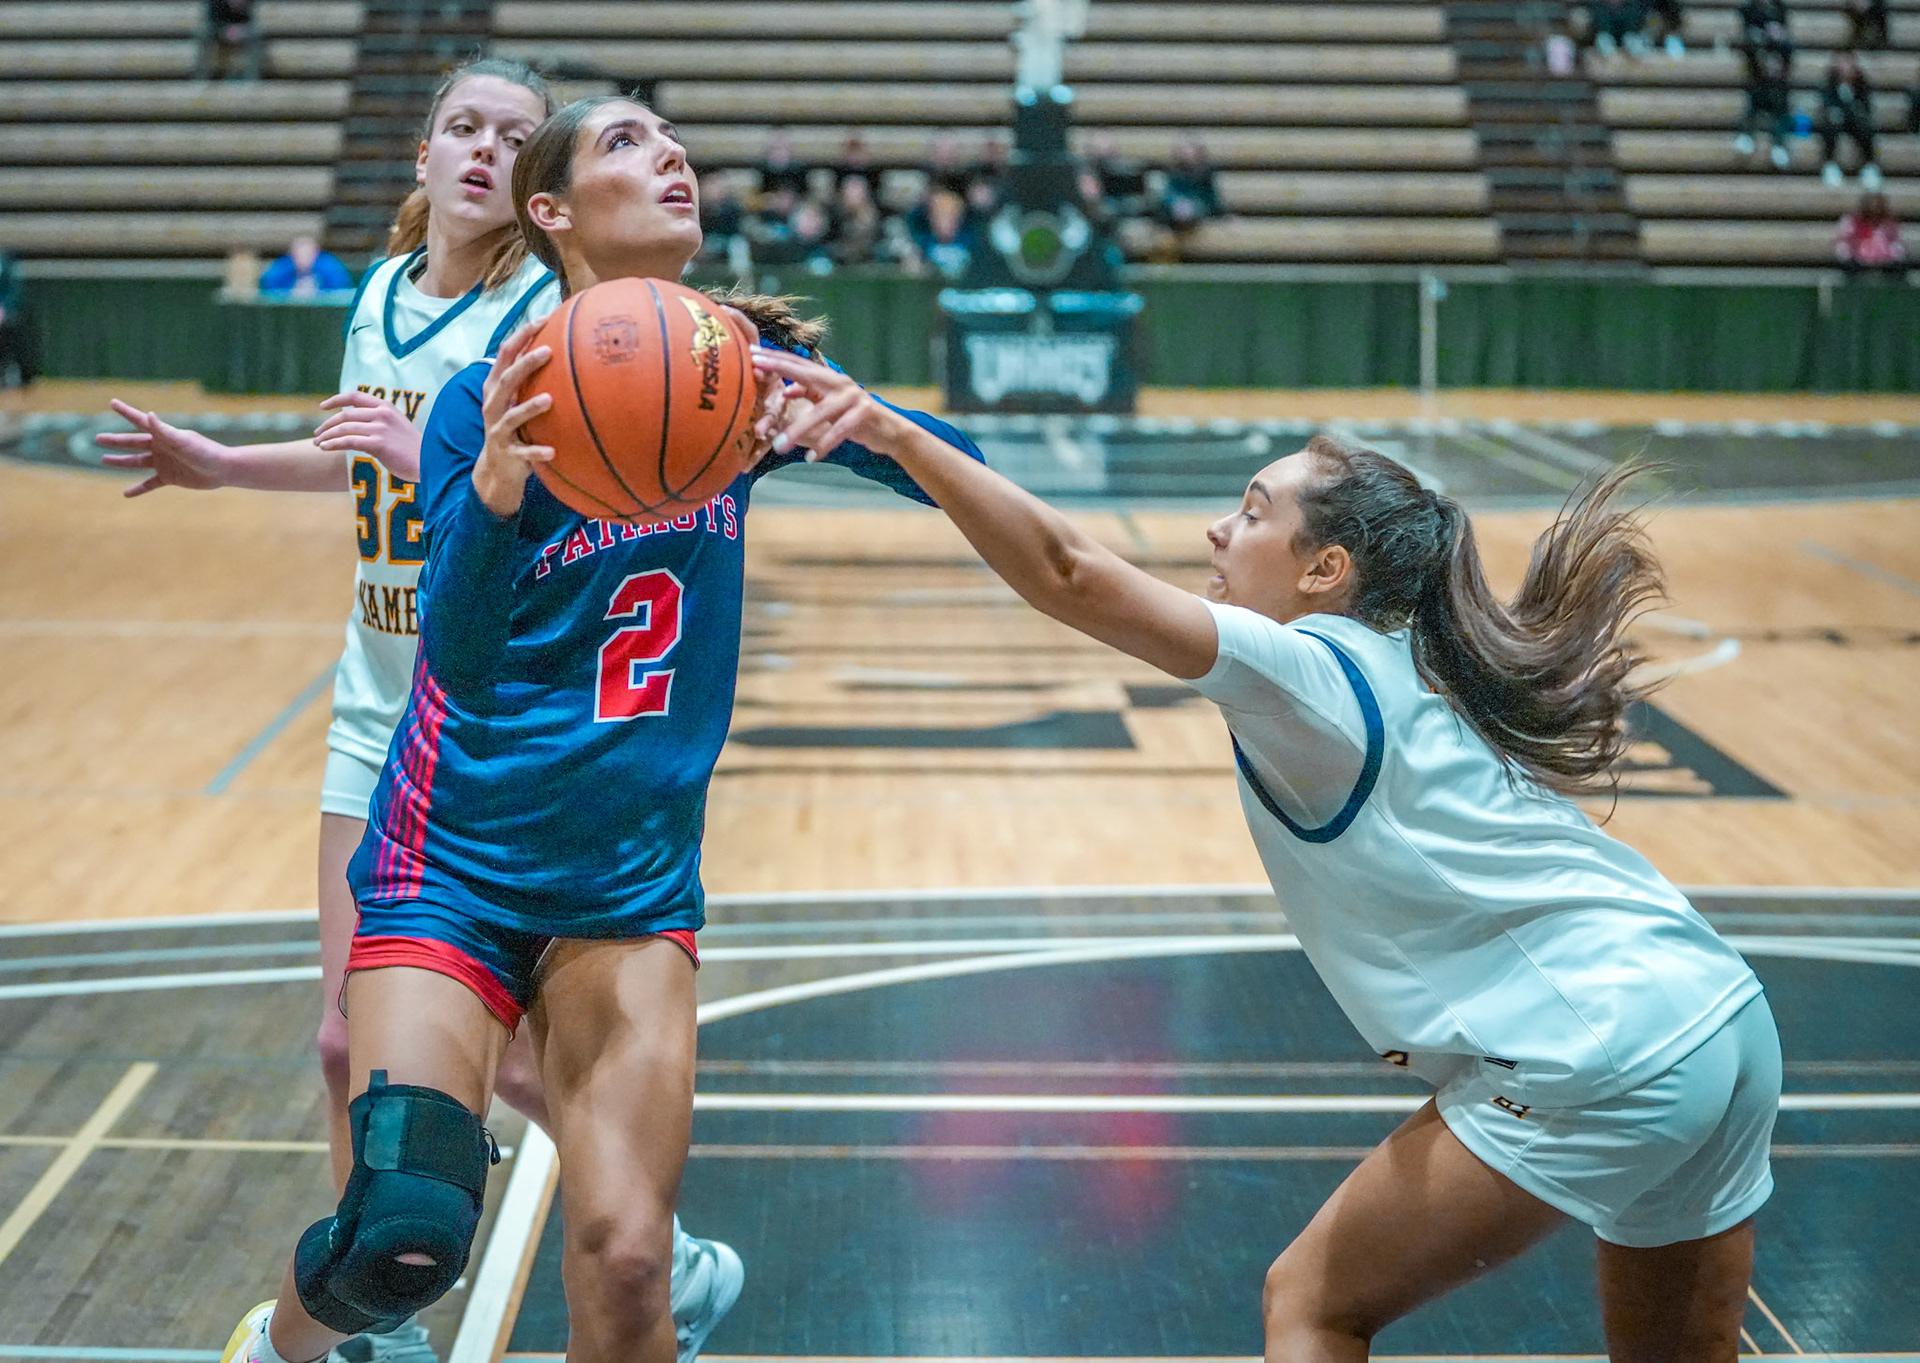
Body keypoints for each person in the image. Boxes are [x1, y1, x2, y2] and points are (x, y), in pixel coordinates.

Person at [751, 362, 1782, 1363]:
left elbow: (1070, 572)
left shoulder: (1309, 670)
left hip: (1603, 1046)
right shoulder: (1418, 670)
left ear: (1324, 571)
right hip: (1724, 1018)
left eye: (1251, 512)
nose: (1218, 528)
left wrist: (893, 432)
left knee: (1313, 1303)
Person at [215, 95, 986, 1363]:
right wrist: (496, 494)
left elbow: (957, 473)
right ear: (553, 211)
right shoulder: (490, 399)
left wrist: (875, 422)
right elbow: (455, 652)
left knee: (631, 1263)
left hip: (628, 883)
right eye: (627, 143)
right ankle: (283, 1342)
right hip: (452, 863)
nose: (671, 153)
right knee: (403, 1230)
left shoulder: (736, 378)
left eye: (672, 139)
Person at [97, 58, 740, 1363]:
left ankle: (636, 1244)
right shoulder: (384, 292)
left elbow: (493, 461)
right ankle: (377, 1301)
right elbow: (360, 453)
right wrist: (227, 465)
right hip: (373, 698)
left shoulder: (560, 318)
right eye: (463, 128)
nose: (485, 150)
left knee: (488, 1050)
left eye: (514, 135)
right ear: (423, 154)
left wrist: (446, 466)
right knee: (347, 1038)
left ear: (544, 186)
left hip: (482, 715)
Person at [1732, 21, 1794, 168]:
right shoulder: (1757, 56)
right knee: (1754, 106)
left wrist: (1780, 38)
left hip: (1777, 95)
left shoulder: (1784, 53)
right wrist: (1762, 37)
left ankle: (1779, 145)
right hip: (1760, 92)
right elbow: (1749, 54)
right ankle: (1746, 136)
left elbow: (1789, 53)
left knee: (1780, 114)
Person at [1819, 51, 1882, 188]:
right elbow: (1827, 106)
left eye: (1848, 63)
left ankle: (1869, 166)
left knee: (1865, 126)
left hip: (1854, 123)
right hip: (1837, 123)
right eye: (1841, 63)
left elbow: (1865, 108)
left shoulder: (1862, 84)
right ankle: (1830, 165)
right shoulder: (1829, 84)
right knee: (1831, 124)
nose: (1845, 67)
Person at [258, 235, 355, 297]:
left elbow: (340, 291)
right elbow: (268, 289)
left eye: (308, 254)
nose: (303, 259)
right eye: (298, 255)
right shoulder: (281, 268)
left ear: (316, 254)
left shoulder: (331, 268)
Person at [1835, 191, 1906, 271]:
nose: (1874, 210)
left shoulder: (1889, 223)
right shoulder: (1852, 221)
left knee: (1897, 252)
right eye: (1871, 206)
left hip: (1885, 262)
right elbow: (1845, 241)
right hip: (1857, 261)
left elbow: (1896, 242)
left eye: (1877, 207)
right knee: (1843, 250)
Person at [198, 0, 262, 80]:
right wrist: (225, 31)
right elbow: (210, 26)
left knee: (255, 41)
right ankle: (208, 78)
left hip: (247, 39)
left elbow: (258, 25)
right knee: (205, 40)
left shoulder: (254, 6)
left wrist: (243, 31)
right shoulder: (216, 5)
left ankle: (252, 79)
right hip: (220, 39)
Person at [0, 249, 32, 388]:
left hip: (6, 314)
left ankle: (10, 374)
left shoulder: (6, 264)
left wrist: (5, 309)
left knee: (9, 335)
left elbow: (14, 292)